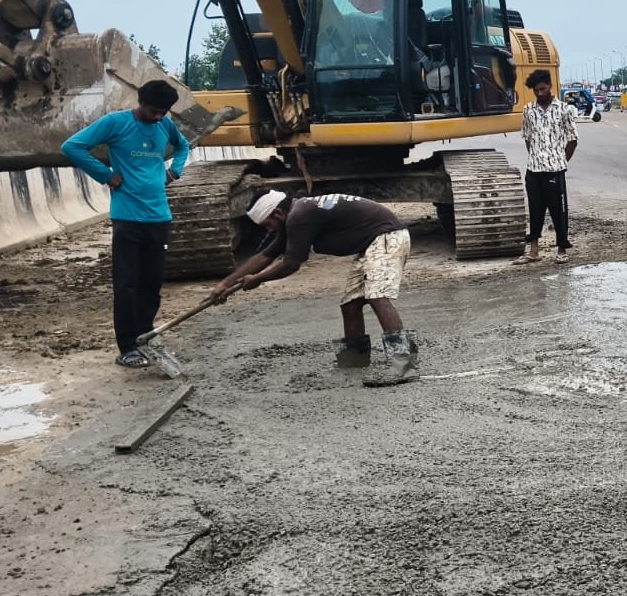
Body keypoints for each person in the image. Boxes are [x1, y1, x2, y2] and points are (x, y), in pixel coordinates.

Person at [212, 191, 419, 384]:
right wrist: (225, 284)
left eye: (268, 224)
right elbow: (266, 255)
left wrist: (258, 279)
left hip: (388, 237)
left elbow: (291, 263)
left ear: (277, 213)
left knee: (377, 297)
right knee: (350, 304)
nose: (269, 230)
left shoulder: (300, 215)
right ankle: (354, 361)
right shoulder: (296, 214)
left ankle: (403, 365)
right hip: (371, 244)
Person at [62, 80, 189, 368]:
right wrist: (105, 175)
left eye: (164, 112)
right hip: (127, 218)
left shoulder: (164, 125)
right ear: (141, 102)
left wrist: (175, 171)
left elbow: (182, 147)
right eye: (154, 111)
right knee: (127, 285)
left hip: (159, 217)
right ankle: (127, 347)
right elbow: (72, 146)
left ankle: (146, 337)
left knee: (152, 283)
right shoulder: (115, 123)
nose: (158, 117)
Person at [518, 68, 578, 264]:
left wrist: (560, 161)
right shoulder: (528, 110)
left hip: (555, 170)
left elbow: (572, 140)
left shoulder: (564, 110)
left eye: (542, 89)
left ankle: (562, 250)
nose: (539, 93)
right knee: (535, 210)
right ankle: (533, 251)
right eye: (536, 90)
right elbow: (527, 138)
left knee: (558, 211)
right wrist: (537, 156)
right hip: (534, 170)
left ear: (550, 86)